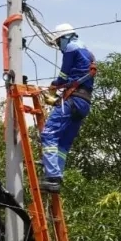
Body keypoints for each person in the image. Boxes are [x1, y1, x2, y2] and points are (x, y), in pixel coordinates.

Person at [39, 23, 96, 193]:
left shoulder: (71, 48)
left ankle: (53, 175)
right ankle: (56, 175)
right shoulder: (88, 52)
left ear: (65, 37)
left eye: (58, 42)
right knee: (63, 143)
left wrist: (53, 86)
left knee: (49, 133)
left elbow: (63, 77)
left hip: (73, 100)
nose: (59, 46)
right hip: (84, 103)